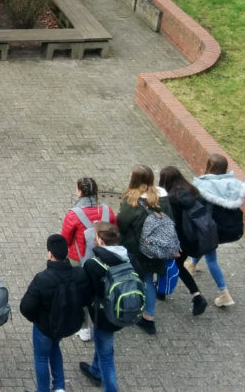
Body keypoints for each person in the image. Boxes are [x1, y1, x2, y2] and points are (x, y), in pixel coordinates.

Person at [20, 234, 91, 392]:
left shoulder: (42, 279)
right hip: (65, 324)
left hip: (44, 327)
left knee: (41, 358)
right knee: (54, 348)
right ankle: (59, 387)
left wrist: (37, 319)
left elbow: (26, 307)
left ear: (50, 253)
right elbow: (86, 298)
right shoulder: (79, 274)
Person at [116, 164, 175, 335]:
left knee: (134, 277)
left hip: (138, 250)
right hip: (159, 249)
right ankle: (149, 316)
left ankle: (127, 307)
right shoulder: (162, 197)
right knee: (149, 279)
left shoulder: (132, 201)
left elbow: (122, 225)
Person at [59, 176, 115, 341]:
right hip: (104, 257)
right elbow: (115, 231)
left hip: (80, 259)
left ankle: (84, 328)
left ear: (80, 192)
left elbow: (66, 240)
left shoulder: (73, 214)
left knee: (81, 291)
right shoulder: (107, 210)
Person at [188, 152, 245, 307]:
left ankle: (224, 294)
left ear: (209, 166)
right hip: (228, 228)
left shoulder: (203, 185)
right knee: (207, 248)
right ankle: (192, 265)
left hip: (211, 229)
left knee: (211, 258)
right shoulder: (234, 184)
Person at [79, 221, 129, 392]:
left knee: (107, 356)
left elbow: (87, 292)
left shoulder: (93, 265)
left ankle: (109, 387)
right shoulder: (126, 258)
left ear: (100, 240)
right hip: (122, 310)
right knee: (104, 345)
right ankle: (94, 369)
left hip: (104, 315)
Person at [158, 166, 211, 316]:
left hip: (179, 241)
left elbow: (171, 223)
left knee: (174, 264)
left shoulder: (172, 199)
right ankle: (162, 290)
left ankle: (197, 296)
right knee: (175, 264)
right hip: (193, 238)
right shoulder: (193, 191)